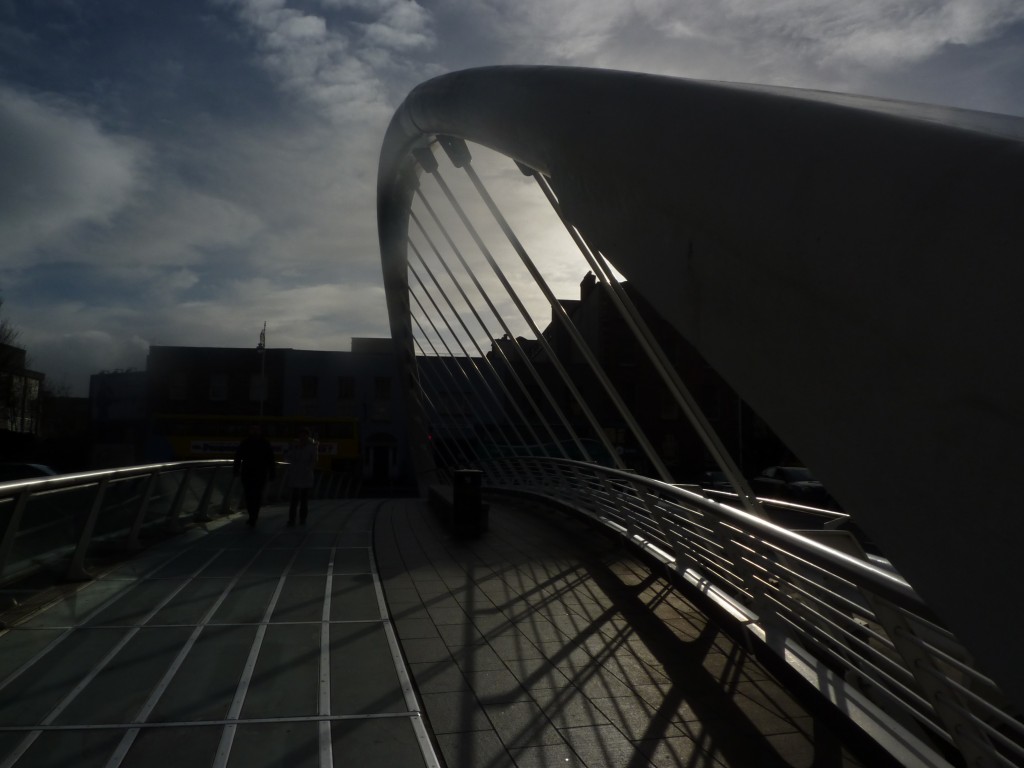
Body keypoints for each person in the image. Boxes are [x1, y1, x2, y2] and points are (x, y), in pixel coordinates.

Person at [233, 424, 276, 527]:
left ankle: (253, 516)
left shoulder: (247, 442)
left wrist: (236, 469)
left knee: (253, 495)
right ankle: (253, 515)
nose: (255, 431)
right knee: (253, 495)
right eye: (253, 429)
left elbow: (238, 457)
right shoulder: (263, 443)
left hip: (252, 473)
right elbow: (271, 459)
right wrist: (272, 473)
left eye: (256, 429)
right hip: (256, 473)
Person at [285, 428, 318, 526]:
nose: (302, 437)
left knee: (304, 500)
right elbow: (287, 457)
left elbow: (314, 461)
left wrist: (308, 468)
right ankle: (292, 519)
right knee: (294, 500)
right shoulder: (294, 446)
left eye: (304, 435)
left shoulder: (312, 447)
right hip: (295, 476)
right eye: (301, 435)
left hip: (305, 476)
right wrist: (295, 449)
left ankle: (302, 519)